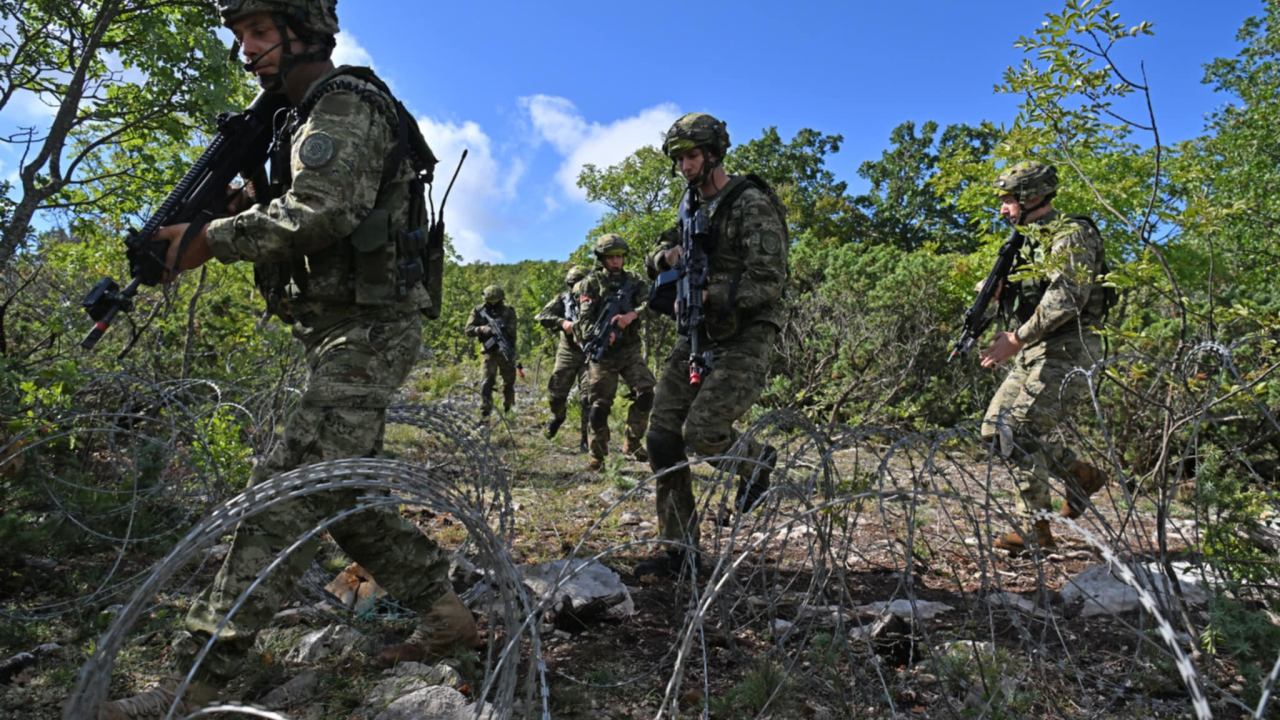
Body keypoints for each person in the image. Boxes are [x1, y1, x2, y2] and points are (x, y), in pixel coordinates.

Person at [96, 1, 478, 716]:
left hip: (368, 331)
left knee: (287, 490)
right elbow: (294, 205)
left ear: (307, 33)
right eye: (241, 35)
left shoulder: (344, 105)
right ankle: (447, 616)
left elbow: (323, 211)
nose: (248, 49)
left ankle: (192, 680)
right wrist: (225, 211)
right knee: (342, 495)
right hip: (337, 328)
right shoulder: (290, 120)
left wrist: (208, 239)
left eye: (261, 33)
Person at [635, 113, 789, 578]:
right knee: (661, 437)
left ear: (714, 154)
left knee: (702, 432)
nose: (684, 166)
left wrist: (710, 294)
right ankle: (680, 551)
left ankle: (757, 462)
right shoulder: (689, 204)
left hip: (745, 334)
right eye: (679, 158)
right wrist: (665, 257)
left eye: (692, 156)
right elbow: (658, 251)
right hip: (697, 331)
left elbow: (770, 279)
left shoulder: (749, 203)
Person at [978, 161, 1111, 555]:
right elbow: (1031, 292)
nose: (1003, 208)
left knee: (1018, 432)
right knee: (995, 432)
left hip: (1070, 347)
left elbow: (1067, 298)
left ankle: (1036, 532)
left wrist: (1016, 338)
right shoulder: (1024, 241)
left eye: (1008, 200)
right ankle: (1081, 475)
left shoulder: (1071, 234)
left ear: (1031, 196)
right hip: (1036, 349)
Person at [572, 234, 656, 472]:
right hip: (604, 354)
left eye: (619, 256)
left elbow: (653, 304)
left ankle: (633, 442)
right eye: (611, 257)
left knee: (646, 393)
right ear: (602, 259)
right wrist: (600, 335)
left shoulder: (634, 281)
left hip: (629, 350)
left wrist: (632, 316)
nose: (616, 261)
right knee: (598, 406)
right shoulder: (590, 283)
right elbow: (584, 321)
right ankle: (598, 457)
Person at [535, 265, 591, 453]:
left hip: (590, 352)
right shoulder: (563, 300)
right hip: (568, 352)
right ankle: (559, 417)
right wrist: (563, 323)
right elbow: (542, 316)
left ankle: (586, 438)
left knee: (588, 397)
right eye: (575, 283)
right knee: (556, 393)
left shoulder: (597, 299)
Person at [465, 285, 519, 421]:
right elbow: (468, 330)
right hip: (488, 352)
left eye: (496, 302)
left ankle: (508, 410)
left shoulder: (508, 312)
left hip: (505, 350)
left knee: (508, 383)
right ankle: (485, 414)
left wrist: (505, 345)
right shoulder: (478, 311)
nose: (493, 305)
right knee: (486, 383)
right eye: (490, 302)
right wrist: (481, 329)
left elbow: (512, 333)